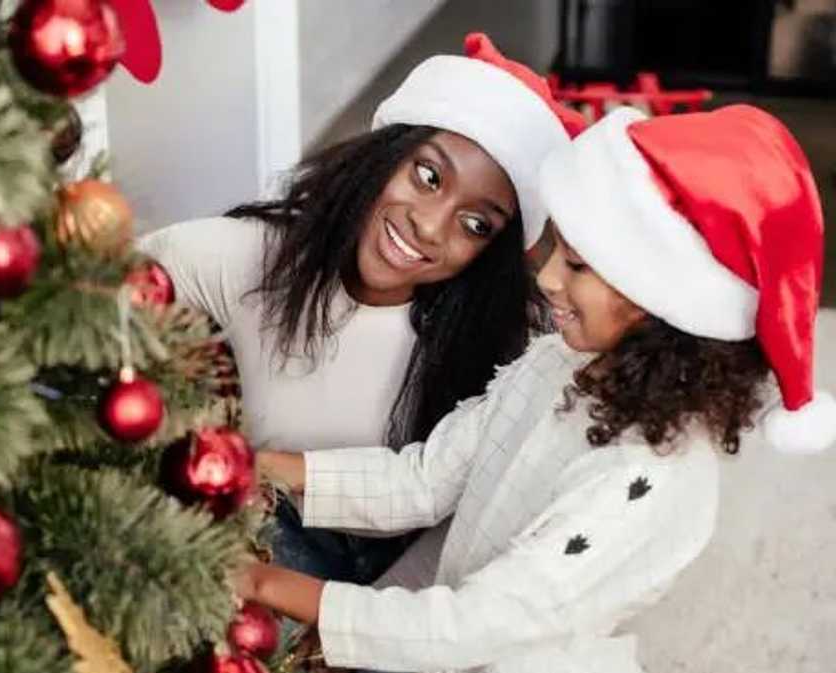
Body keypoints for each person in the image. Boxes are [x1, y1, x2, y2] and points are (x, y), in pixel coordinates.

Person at [239, 104, 836, 673]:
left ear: (663, 306)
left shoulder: (647, 477)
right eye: (558, 250)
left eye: (577, 266)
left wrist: (270, 584)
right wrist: (263, 468)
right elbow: (428, 477)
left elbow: (472, 622)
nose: (547, 276)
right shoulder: (558, 360)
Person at [139, 33, 584, 598]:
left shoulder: (503, 345)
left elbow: (467, 531)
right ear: (384, 154)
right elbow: (95, 291)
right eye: (428, 177)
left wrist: (358, 628)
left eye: (476, 224)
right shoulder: (249, 258)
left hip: (417, 573)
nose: (430, 225)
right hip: (273, 521)